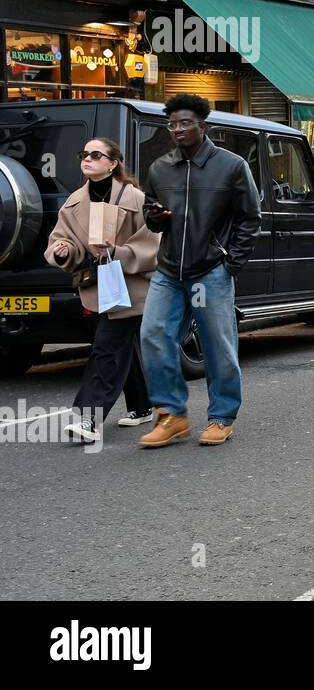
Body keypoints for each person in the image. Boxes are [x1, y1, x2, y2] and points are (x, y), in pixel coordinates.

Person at [137, 94, 261, 449]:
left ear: (203, 126)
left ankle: (222, 416)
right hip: (168, 270)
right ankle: (171, 415)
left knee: (216, 344)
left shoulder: (232, 166)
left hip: (209, 271)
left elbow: (250, 218)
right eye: (172, 124)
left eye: (184, 123)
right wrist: (155, 217)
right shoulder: (159, 167)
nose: (177, 129)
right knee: (153, 335)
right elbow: (151, 216)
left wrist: (230, 262)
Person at [45, 139, 159, 443]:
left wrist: (119, 252)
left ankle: (88, 419)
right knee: (121, 346)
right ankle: (142, 406)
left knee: (107, 348)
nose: (87, 158)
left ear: (113, 163)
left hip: (131, 286)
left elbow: (153, 242)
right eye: (84, 154)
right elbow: (62, 240)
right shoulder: (74, 202)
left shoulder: (135, 198)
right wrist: (63, 250)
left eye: (96, 155)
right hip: (98, 287)